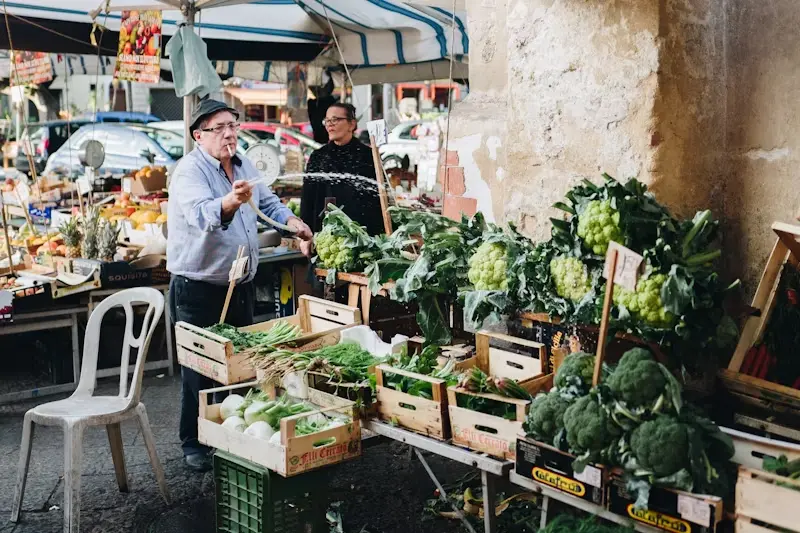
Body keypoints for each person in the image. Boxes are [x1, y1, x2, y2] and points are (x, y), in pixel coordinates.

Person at [167, 98, 312, 472]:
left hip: (239, 284)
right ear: (199, 135)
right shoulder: (189, 172)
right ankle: (194, 443)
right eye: (219, 127)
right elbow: (202, 216)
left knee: (239, 364)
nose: (230, 133)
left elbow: (269, 203)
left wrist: (292, 224)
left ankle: (230, 437)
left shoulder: (244, 163)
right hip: (199, 288)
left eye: (233, 124)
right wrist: (230, 201)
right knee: (200, 370)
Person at [300, 103, 384, 252]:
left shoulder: (368, 156)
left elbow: (379, 199)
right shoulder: (318, 157)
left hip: (362, 239)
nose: (330, 125)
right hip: (325, 240)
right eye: (327, 121)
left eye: (335, 120)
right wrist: (305, 236)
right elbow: (308, 200)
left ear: (351, 124)